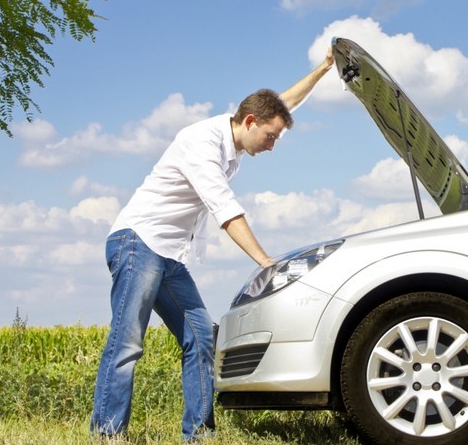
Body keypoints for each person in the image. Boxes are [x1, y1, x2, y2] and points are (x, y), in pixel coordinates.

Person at [90, 48, 335, 441]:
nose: (273, 145)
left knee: (202, 337)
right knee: (127, 343)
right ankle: (107, 433)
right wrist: (264, 260)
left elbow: (286, 103)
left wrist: (323, 69)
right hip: (138, 243)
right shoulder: (201, 143)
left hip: (168, 255)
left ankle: (198, 434)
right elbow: (224, 209)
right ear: (250, 121)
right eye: (271, 136)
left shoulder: (238, 137)